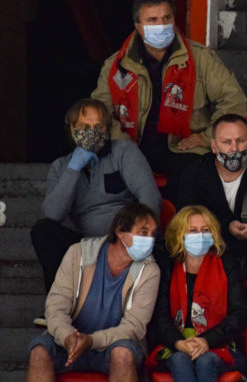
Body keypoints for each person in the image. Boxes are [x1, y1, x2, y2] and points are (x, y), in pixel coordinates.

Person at [91, 0, 247, 201]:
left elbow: (233, 100)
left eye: (166, 18)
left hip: (183, 148)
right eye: (152, 20)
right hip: (133, 145)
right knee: (103, 169)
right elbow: (99, 111)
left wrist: (207, 136)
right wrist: (122, 144)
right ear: (138, 26)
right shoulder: (116, 65)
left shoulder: (201, 59)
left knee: (192, 175)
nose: (161, 25)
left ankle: (173, 229)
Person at [30, 99, 161, 301]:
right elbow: (52, 214)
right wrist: (74, 167)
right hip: (86, 247)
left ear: (107, 129)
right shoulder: (60, 166)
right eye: (84, 127)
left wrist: (137, 236)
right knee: (43, 231)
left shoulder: (123, 151)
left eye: (98, 127)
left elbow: (150, 196)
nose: (92, 133)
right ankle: (59, 305)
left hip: (125, 240)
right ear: (72, 129)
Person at [26, 203, 160, 382]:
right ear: (121, 232)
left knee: (123, 355)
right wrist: (67, 337)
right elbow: (56, 306)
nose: (149, 240)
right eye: (143, 232)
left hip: (112, 346)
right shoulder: (78, 254)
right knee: (39, 351)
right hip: (70, 343)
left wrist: (91, 341)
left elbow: (134, 326)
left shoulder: (150, 271)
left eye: (153, 234)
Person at [177, 114, 247, 322]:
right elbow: (185, 218)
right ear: (214, 146)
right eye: (227, 142)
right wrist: (226, 229)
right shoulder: (195, 173)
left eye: (241, 141)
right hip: (209, 247)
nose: (234, 148)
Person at [150, 205, 247, 382]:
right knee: (180, 359)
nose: (200, 236)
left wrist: (206, 341)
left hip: (221, 345)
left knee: (205, 361)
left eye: (205, 230)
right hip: (176, 345)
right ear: (179, 235)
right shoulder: (168, 267)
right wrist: (179, 344)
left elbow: (240, 314)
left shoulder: (227, 264)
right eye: (193, 231)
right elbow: (160, 318)